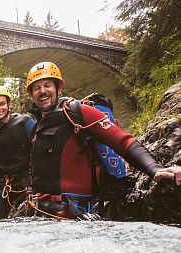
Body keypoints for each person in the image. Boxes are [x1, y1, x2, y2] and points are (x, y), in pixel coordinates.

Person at [25, 61, 181, 220]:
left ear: (59, 88)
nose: (43, 91)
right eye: (37, 88)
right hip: (40, 212)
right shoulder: (34, 129)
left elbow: (123, 142)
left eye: (47, 85)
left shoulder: (79, 113)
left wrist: (155, 169)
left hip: (75, 215)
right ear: (31, 94)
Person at [0, 86, 35, 219]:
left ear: (9, 104)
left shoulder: (24, 121)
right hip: (2, 183)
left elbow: (38, 148)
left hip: (25, 181)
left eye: (2, 104)